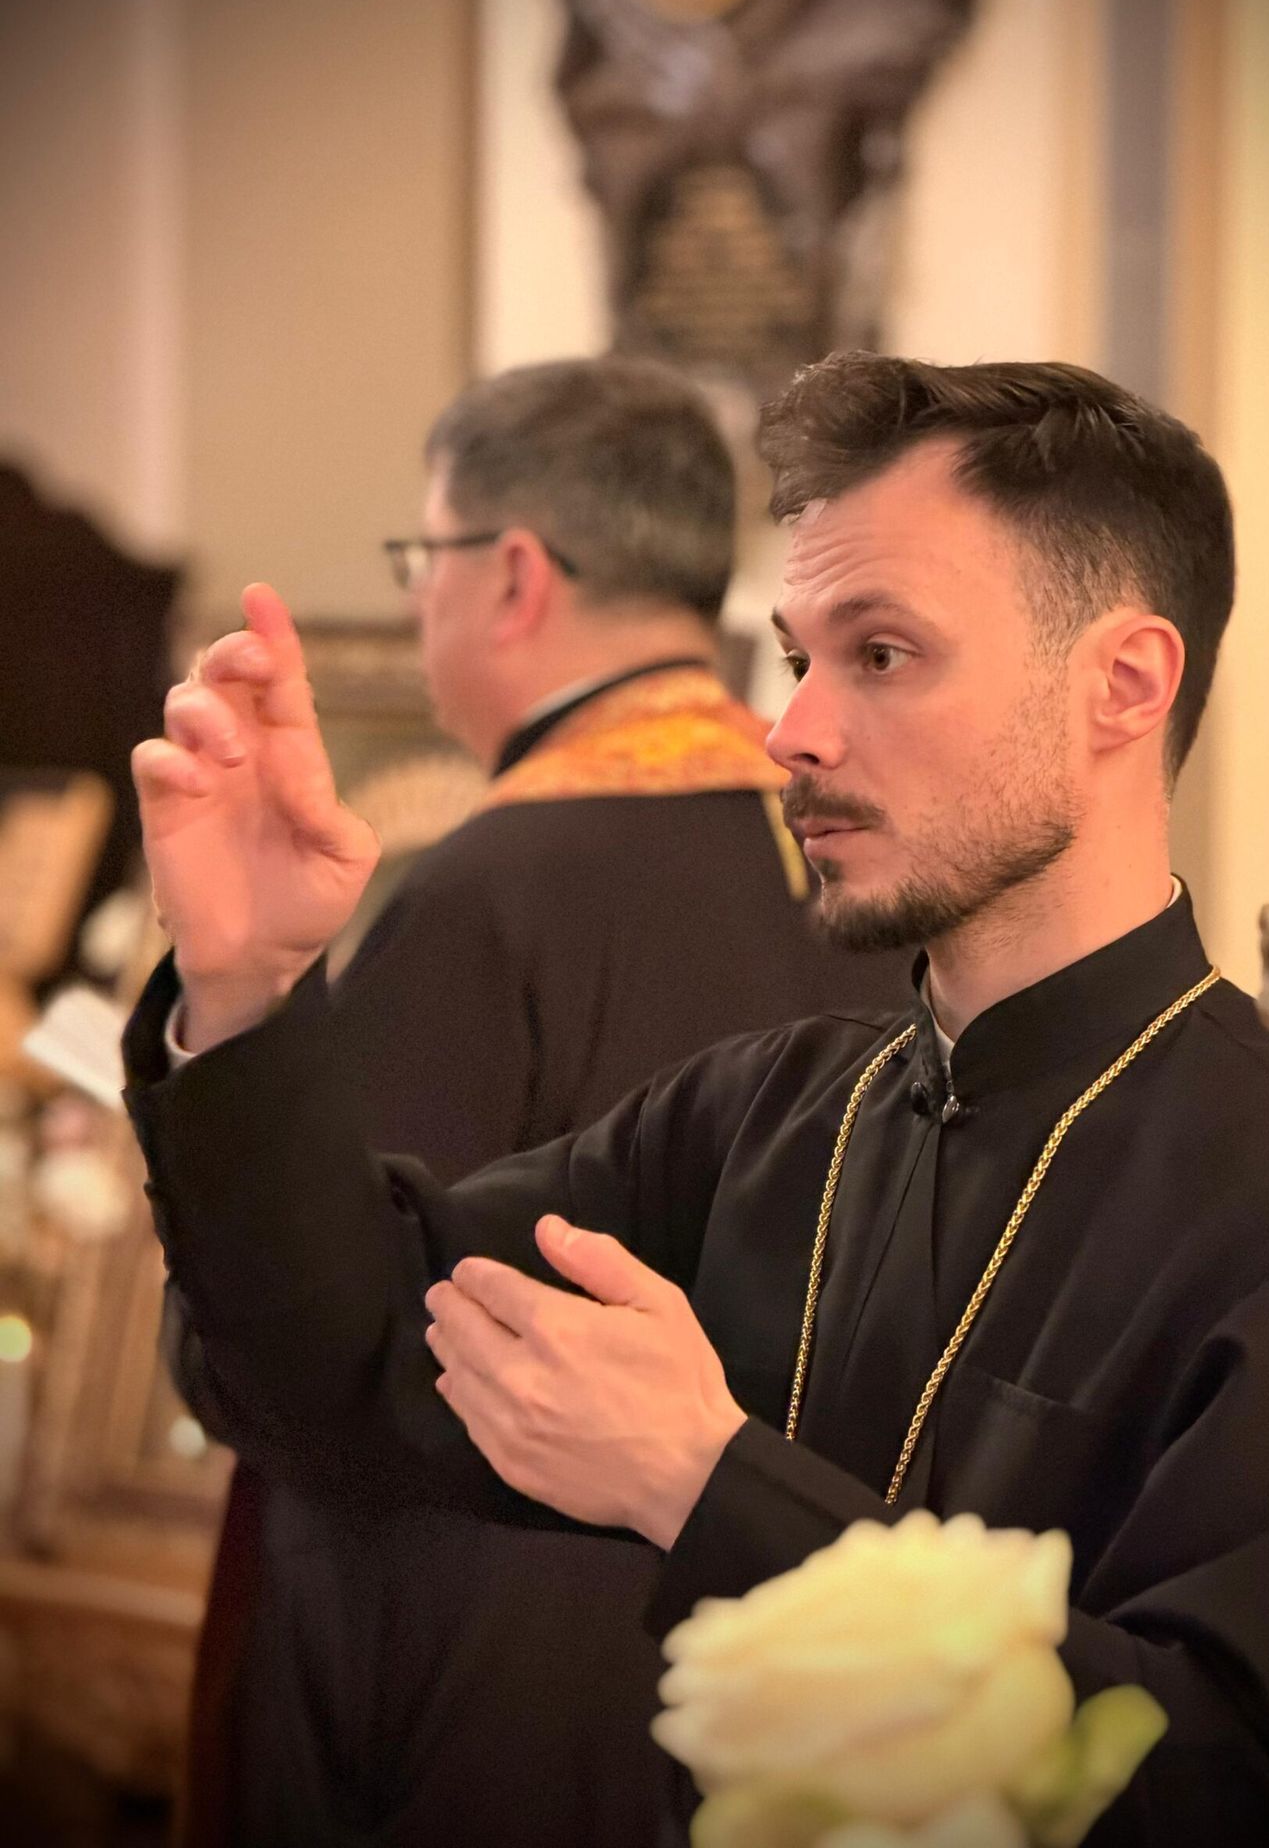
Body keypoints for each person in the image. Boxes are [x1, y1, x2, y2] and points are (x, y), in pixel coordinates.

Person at [128, 355, 1269, 1847]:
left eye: (882, 654)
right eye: (799, 658)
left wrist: (706, 1485)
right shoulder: (763, 1115)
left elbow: (1219, 1790)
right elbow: (336, 1363)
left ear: (1123, 685)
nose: (794, 731)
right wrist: (245, 991)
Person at [169, 356, 910, 1848]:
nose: (421, 605)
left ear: (511, 576)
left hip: (487, 1686)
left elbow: (307, 1349)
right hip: (797, 1656)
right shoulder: (863, 864)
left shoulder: (483, 888)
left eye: (424, 559)